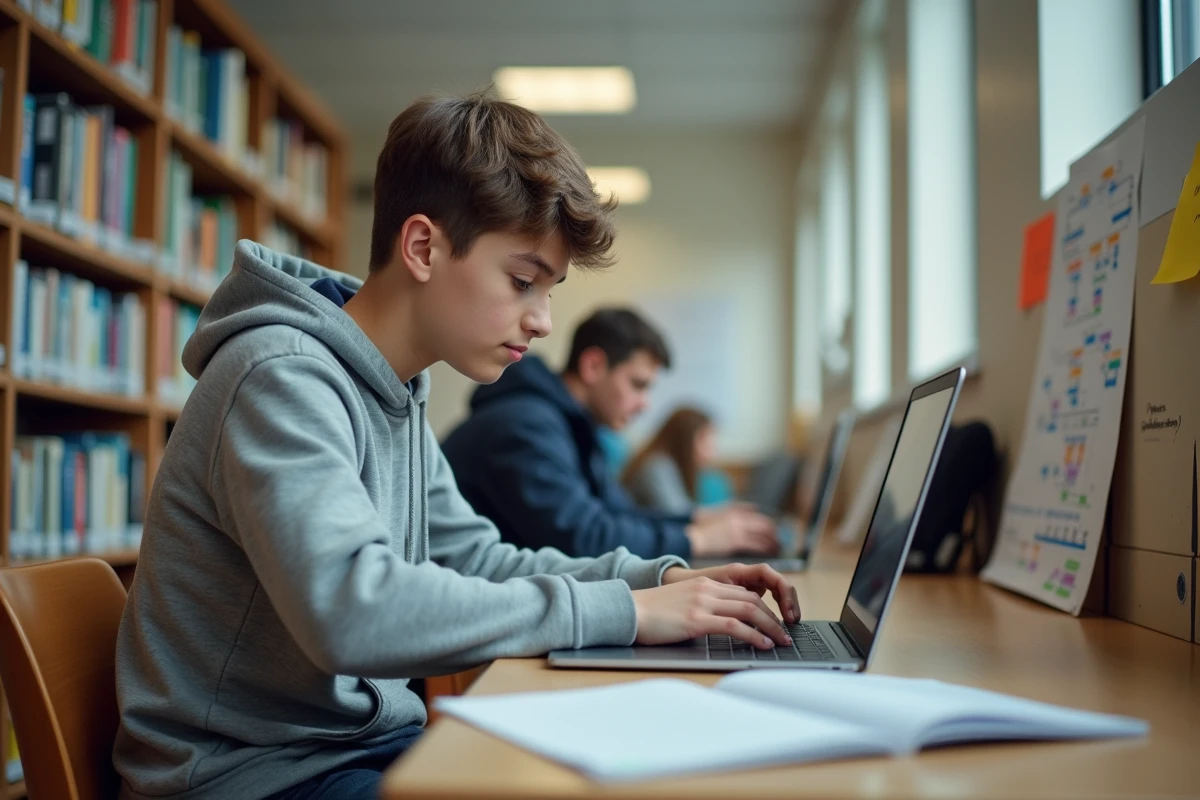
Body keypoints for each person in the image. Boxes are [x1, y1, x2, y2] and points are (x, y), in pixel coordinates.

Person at [111, 92, 800, 800]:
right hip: (250, 778)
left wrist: (650, 582)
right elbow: (351, 612)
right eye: (523, 282)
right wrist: (623, 613)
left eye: (549, 290)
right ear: (423, 248)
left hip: (355, 750)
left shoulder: (394, 388)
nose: (543, 322)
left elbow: (477, 558)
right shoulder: (279, 376)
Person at [441, 308, 778, 561]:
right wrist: (698, 540)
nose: (645, 404)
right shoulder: (525, 424)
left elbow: (615, 514)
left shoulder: (577, 429)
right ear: (593, 366)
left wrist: (695, 518)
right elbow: (582, 538)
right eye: (638, 384)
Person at [622, 407, 718, 514]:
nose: (711, 450)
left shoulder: (670, 466)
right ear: (684, 439)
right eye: (704, 440)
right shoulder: (656, 466)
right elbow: (678, 515)